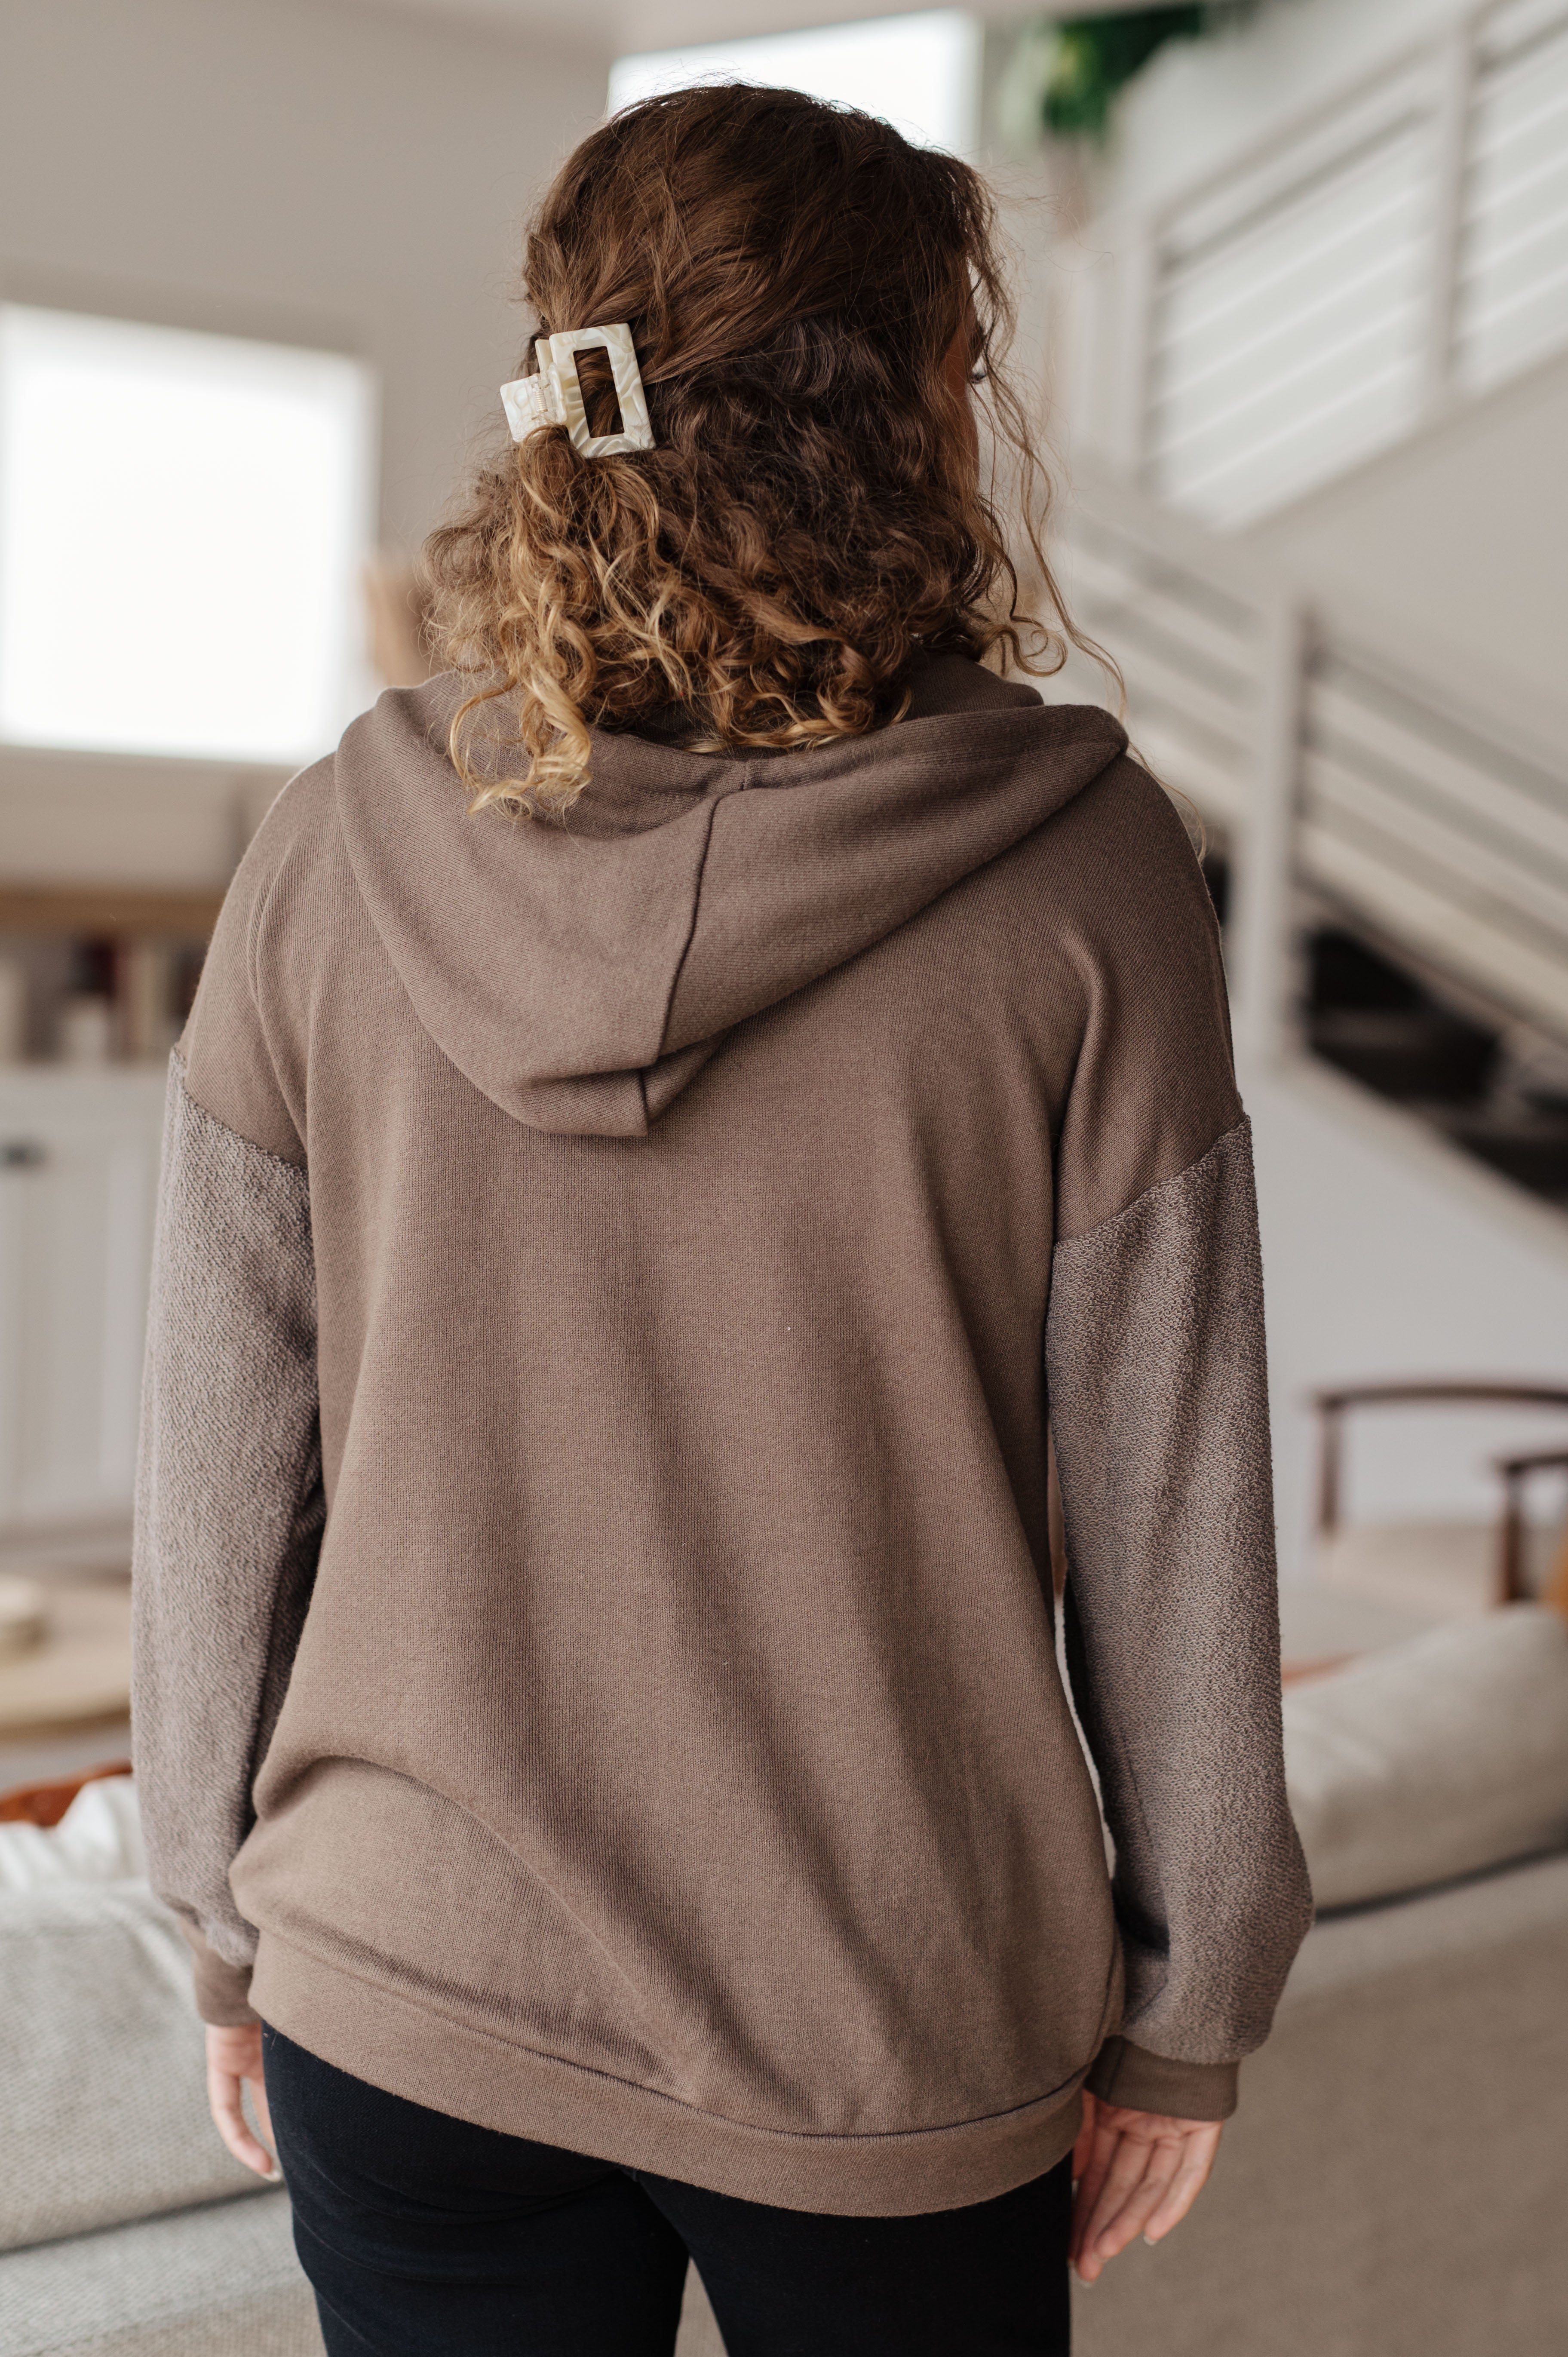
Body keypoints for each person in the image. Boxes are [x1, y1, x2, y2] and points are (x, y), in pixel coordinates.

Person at [132, 83, 1312, 2357]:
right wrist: (1196, 1998)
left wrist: (224, 1912)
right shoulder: (1086, 877)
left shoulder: (332, 849)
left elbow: (213, 1450)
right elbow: (1179, 1488)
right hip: (886, 2010)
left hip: (407, 1978)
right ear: (920, 407)